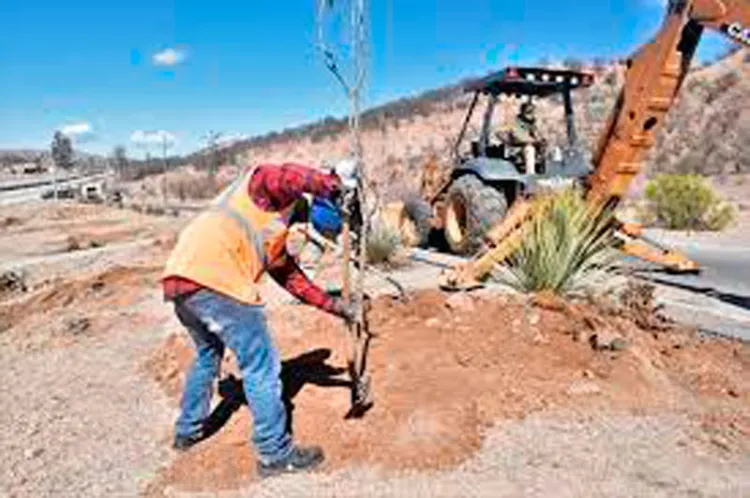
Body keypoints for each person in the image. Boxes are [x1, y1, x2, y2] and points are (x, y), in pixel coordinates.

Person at [160, 160, 359, 478]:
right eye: (301, 224)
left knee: (207, 354)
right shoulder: (264, 192)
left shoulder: (268, 233)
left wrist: (336, 307)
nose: (297, 231)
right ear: (298, 207)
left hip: (181, 281)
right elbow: (281, 174)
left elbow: (297, 282)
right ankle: (274, 454)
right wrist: (330, 186)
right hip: (218, 280)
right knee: (262, 366)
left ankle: (188, 430)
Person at [505, 101, 543, 174]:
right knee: (529, 149)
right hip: (517, 149)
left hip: (531, 147)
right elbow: (518, 137)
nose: (531, 114)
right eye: (528, 112)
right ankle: (530, 175)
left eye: (532, 112)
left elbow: (539, 136)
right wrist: (534, 141)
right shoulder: (516, 123)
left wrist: (541, 141)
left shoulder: (533, 124)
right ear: (522, 112)